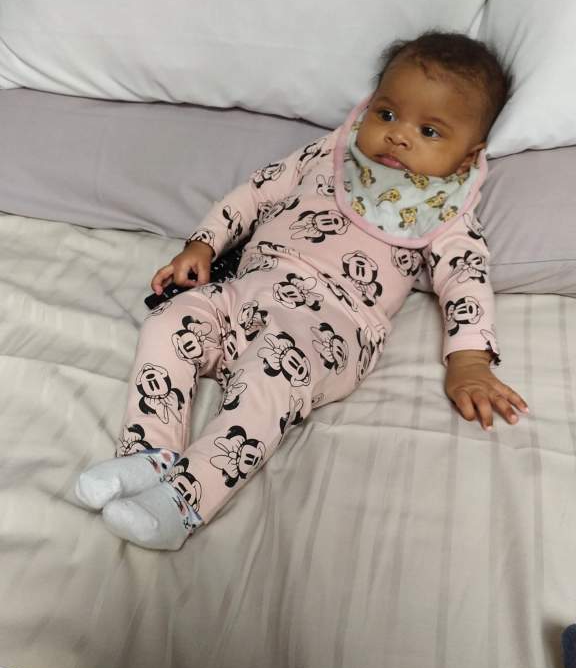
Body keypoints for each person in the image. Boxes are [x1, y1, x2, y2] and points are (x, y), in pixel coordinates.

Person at [75, 30, 529, 550]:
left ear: (468, 157)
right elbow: (256, 192)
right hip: (250, 289)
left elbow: (465, 281)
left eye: (429, 130)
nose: (398, 136)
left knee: (268, 380)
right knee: (170, 320)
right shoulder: (333, 153)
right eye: (386, 114)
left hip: (330, 328)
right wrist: (202, 244)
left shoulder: (446, 213)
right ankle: (148, 454)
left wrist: (469, 361)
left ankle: (186, 497)